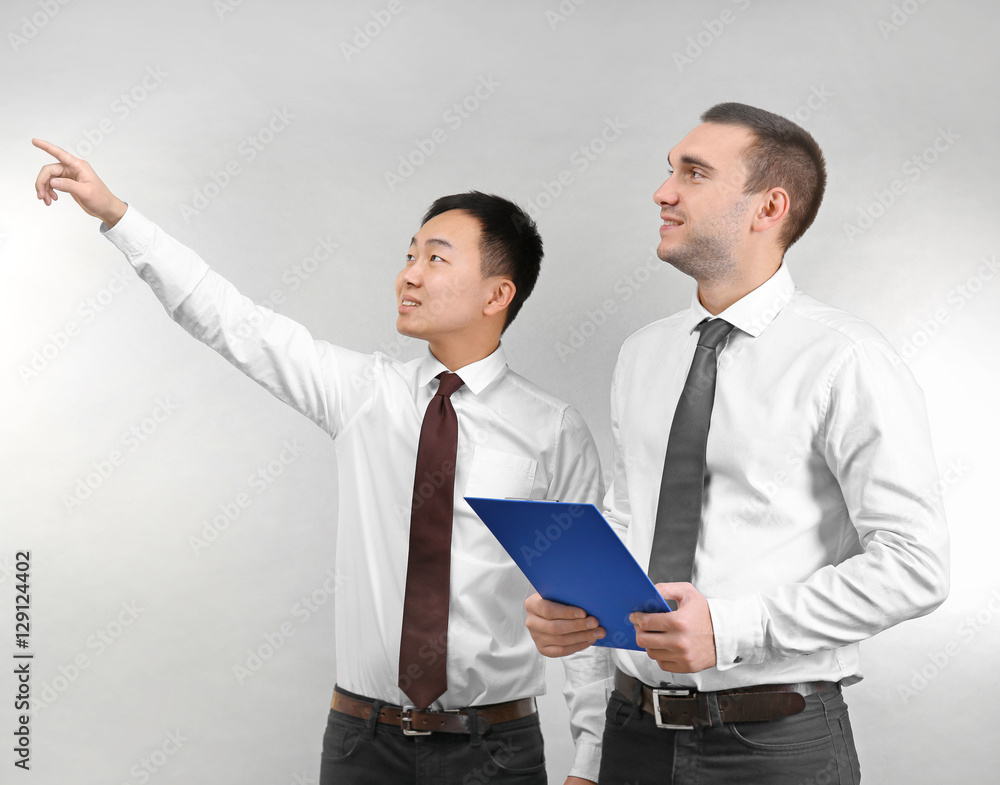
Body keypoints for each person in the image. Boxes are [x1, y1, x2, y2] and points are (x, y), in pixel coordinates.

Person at [33, 138, 613, 785]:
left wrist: (590, 759)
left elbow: (586, 608)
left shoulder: (552, 430)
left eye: (435, 258)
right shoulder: (364, 393)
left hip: (494, 751)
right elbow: (235, 322)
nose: (409, 274)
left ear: (496, 292)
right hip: (362, 747)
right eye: (409, 255)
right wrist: (115, 212)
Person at [523, 103, 949, 784]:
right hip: (633, 735)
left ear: (768, 206)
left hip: (774, 747)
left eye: (693, 173)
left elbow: (916, 564)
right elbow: (632, 524)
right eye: (670, 171)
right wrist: (580, 612)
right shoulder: (643, 355)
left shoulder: (847, 358)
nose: (663, 192)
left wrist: (734, 626)